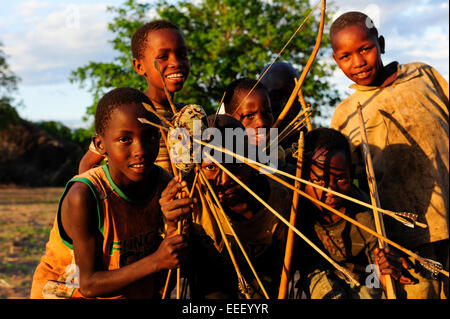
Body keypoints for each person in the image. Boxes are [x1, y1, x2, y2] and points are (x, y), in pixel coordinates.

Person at [30, 87, 194, 299]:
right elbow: (88, 284)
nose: (141, 150)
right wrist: (156, 260)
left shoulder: (164, 185)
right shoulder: (84, 195)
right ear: (100, 144)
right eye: (125, 139)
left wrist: (173, 228)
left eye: (150, 137)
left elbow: (168, 270)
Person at [329, 11, 449, 299]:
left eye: (365, 49)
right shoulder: (344, 115)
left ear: (380, 43)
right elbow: (351, 189)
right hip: (405, 244)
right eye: (346, 56)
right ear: (336, 60)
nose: (357, 62)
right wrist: (378, 247)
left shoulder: (423, 75)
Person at [296, 128, 415, 299]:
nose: (331, 191)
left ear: (351, 175)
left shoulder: (364, 215)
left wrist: (386, 272)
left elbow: (376, 267)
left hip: (359, 277)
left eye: (340, 179)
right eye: (318, 180)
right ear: (302, 177)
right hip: (315, 275)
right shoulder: (294, 205)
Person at [186, 114, 292, 299]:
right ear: (197, 167)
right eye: (211, 167)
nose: (225, 180)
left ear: (251, 162)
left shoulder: (278, 197)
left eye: (236, 164)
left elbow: (280, 266)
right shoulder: (191, 199)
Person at [78, 19, 190, 174]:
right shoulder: (132, 112)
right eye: (163, 56)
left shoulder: (187, 115)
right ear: (139, 66)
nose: (176, 62)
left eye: (182, 54)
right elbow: (87, 165)